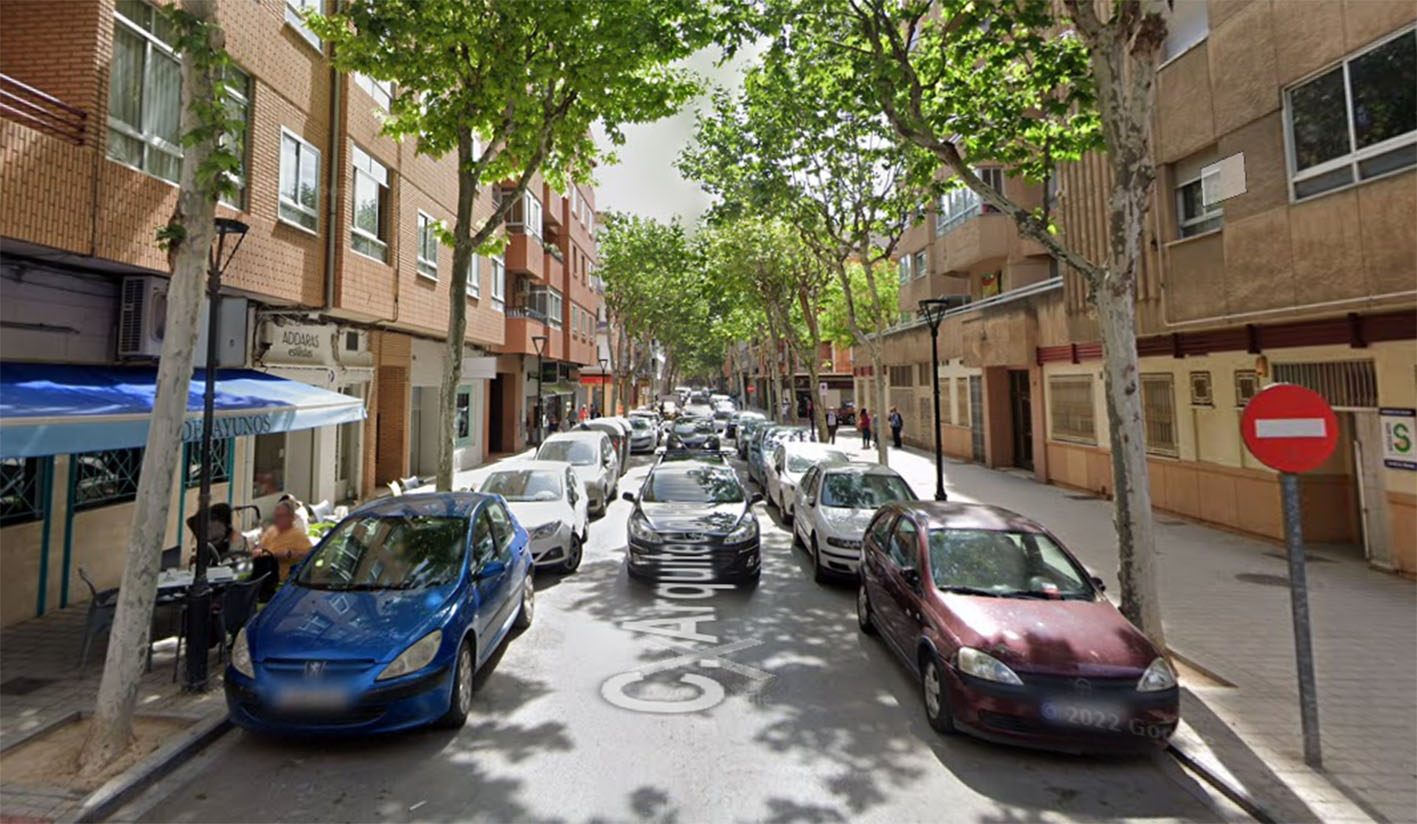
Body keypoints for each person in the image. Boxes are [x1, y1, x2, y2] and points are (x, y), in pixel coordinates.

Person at [255, 498, 313, 582]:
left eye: (281, 516)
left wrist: (289, 554)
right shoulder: (272, 531)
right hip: (263, 573)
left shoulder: (298, 536)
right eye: (276, 516)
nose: (278, 519)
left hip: (280, 579)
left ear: (291, 517)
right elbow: (260, 547)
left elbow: (309, 555)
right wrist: (257, 552)